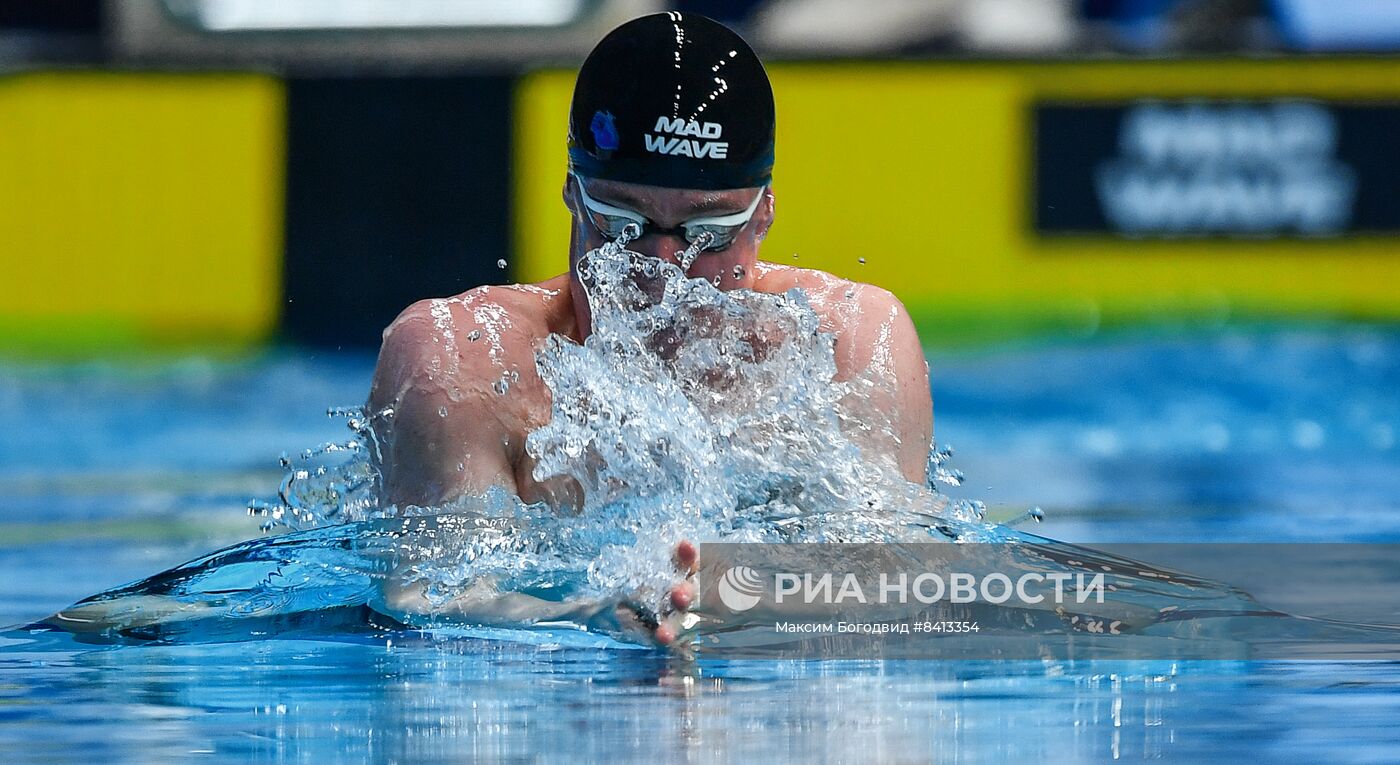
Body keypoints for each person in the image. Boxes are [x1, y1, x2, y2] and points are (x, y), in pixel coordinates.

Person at [366, 12, 932, 645]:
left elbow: (896, 592)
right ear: (573, 196)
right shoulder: (462, 360)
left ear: (763, 215)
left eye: (708, 234)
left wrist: (744, 605)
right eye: (622, 225)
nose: (663, 269)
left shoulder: (850, 344)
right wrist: (589, 617)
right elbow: (427, 597)